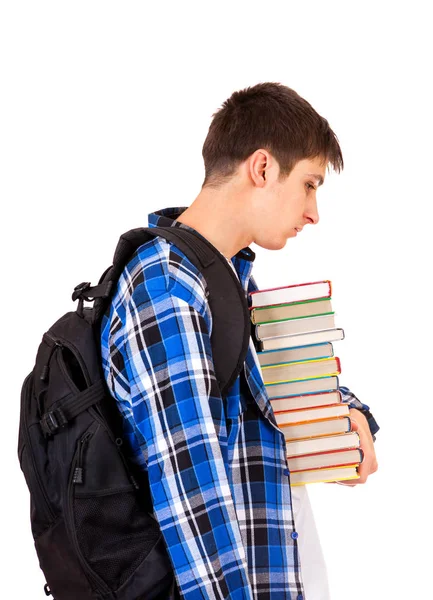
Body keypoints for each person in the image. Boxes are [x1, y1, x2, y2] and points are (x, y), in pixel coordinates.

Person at [100, 82, 379, 600]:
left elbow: (271, 397)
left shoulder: (226, 279)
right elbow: (193, 494)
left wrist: (351, 420)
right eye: (310, 184)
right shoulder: (167, 290)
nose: (314, 212)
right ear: (263, 168)